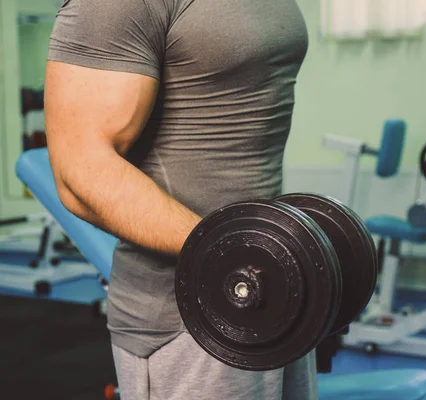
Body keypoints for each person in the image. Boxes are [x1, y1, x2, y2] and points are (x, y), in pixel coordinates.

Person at [44, 0, 313, 398]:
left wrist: (275, 262)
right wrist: (233, 255)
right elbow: (81, 170)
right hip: (189, 318)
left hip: (274, 289)